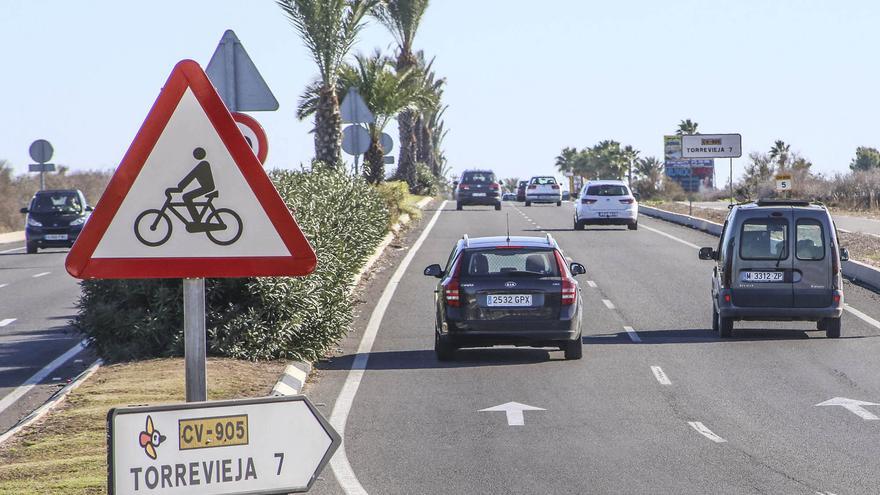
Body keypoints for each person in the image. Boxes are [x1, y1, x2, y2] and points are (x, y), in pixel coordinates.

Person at [169, 147, 216, 232]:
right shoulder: (202, 164)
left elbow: (191, 176)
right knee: (187, 197)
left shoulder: (203, 164)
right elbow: (191, 176)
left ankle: (197, 222)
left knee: (186, 197)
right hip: (206, 187)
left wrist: (180, 187)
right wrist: (180, 187)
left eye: (197, 154)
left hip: (207, 188)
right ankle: (197, 220)